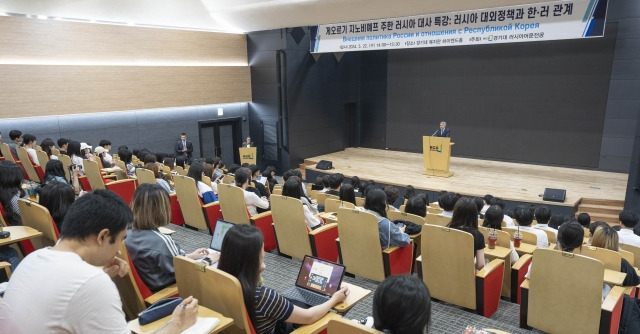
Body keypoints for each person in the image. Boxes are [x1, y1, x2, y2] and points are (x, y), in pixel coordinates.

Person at [0, 189, 199, 333]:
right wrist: (176, 325)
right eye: (121, 239)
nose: (120, 248)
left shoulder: (32, 259)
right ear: (103, 237)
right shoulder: (90, 282)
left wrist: (100, 275)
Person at [217, 224, 348, 334]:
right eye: (261, 252)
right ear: (252, 259)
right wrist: (334, 299)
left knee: (295, 302)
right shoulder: (264, 296)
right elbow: (309, 317)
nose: (263, 253)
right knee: (325, 314)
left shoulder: (219, 280)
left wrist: (256, 272)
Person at [125, 184, 216, 291]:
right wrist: (208, 261)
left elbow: (169, 260)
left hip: (151, 283)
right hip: (170, 290)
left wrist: (191, 255)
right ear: (161, 210)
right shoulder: (162, 241)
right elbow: (185, 271)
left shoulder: (127, 233)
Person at [447, 197, 485, 270]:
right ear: (474, 214)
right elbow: (480, 265)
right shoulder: (478, 236)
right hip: (466, 276)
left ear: (455, 212)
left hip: (445, 270)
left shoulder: (447, 230)